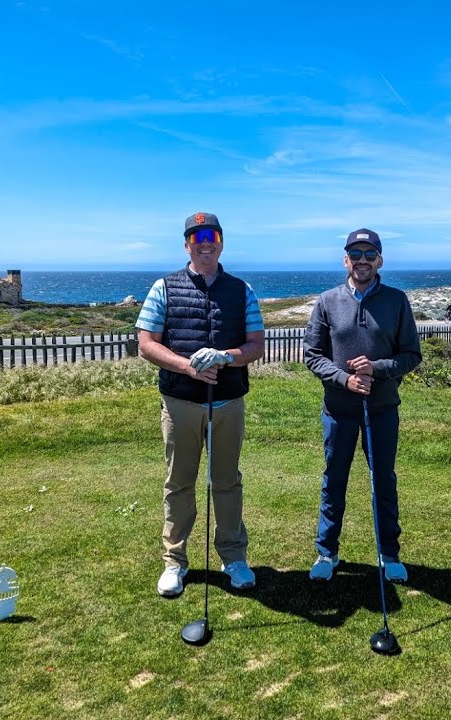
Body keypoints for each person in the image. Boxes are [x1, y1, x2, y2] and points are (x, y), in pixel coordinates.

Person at [135, 212, 266, 597]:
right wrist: (189, 367)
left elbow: (256, 345)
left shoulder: (242, 290)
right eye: (196, 236)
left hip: (228, 403)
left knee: (227, 482)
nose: (204, 242)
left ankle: (233, 557)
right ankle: (174, 562)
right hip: (181, 402)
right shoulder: (164, 287)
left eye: (211, 235)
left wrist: (225, 357)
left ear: (221, 241)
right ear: (186, 243)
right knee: (179, 484)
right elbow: (146, 344)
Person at [301, 228, 422, 583]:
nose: (363, 261)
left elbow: (411, 355)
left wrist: (377, 369)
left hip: (382, 409)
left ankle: (389, 553)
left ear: (380, 260)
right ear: (346, 260)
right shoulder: (326, 301)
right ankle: (327, 552)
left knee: (383, 481)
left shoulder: (397, 301)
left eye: (370, 254)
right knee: (333, 480)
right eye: (356, 254)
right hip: (339, 411)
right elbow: (312, 355)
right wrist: (345, 379)